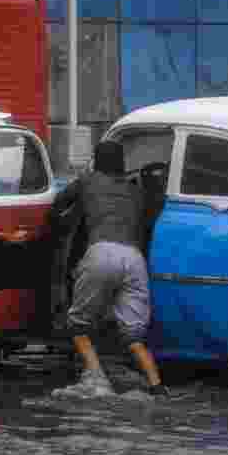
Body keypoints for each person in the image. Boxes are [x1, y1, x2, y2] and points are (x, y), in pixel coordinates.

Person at [51, 140, 169, 399]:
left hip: (101, 253)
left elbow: (58, 204)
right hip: (134, 258)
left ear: (97, 160)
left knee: (78, 326)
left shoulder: (87, 181)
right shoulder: (136, 191)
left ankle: (97, 379)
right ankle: (157, 387)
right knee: (133, 335)